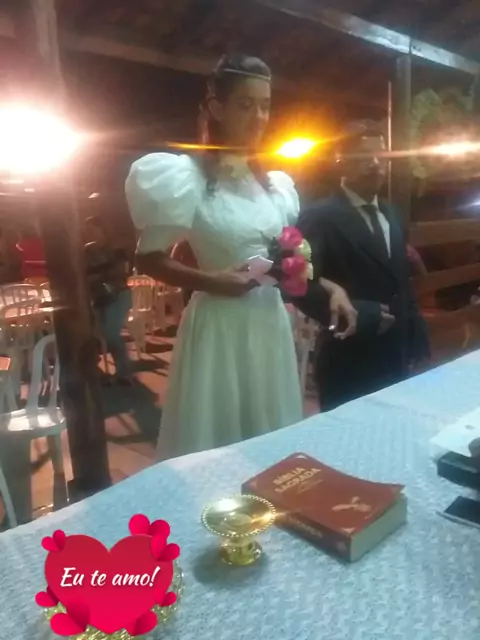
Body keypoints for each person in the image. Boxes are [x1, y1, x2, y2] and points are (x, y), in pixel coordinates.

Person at [125, 53, 356, 461]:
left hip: (268, 322)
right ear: (217, 108)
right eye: (246, 105)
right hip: (219, 327)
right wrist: (212, 281)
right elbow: (148, 258)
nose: (259, 117)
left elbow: (282, 259)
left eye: (265, 105)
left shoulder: (272, 184)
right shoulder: (188, 178)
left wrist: (326, 284)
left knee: (268, 438)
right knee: (218, 441)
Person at [295, 119, 430, 411]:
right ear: (341, 161)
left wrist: (416, 330)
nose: (375, 164)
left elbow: (399, 278)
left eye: (380, 156)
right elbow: (299, 285)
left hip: (395, 355)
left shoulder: (392, 214)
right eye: (364, 156)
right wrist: (356, 313)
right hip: (348, 357)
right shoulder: (320, 217)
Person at [84, 216, 134, 385]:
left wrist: (96, 275)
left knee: (111, 333)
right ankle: (96, 371)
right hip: (98, 297)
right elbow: (81, 273)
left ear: (104, 230)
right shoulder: (87, 250)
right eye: (87, 231)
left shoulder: (116, 249)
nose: (90, 234)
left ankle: (124, 373)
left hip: (118, 295)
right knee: (93, 334)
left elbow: (121, 272)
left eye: (93, 230)